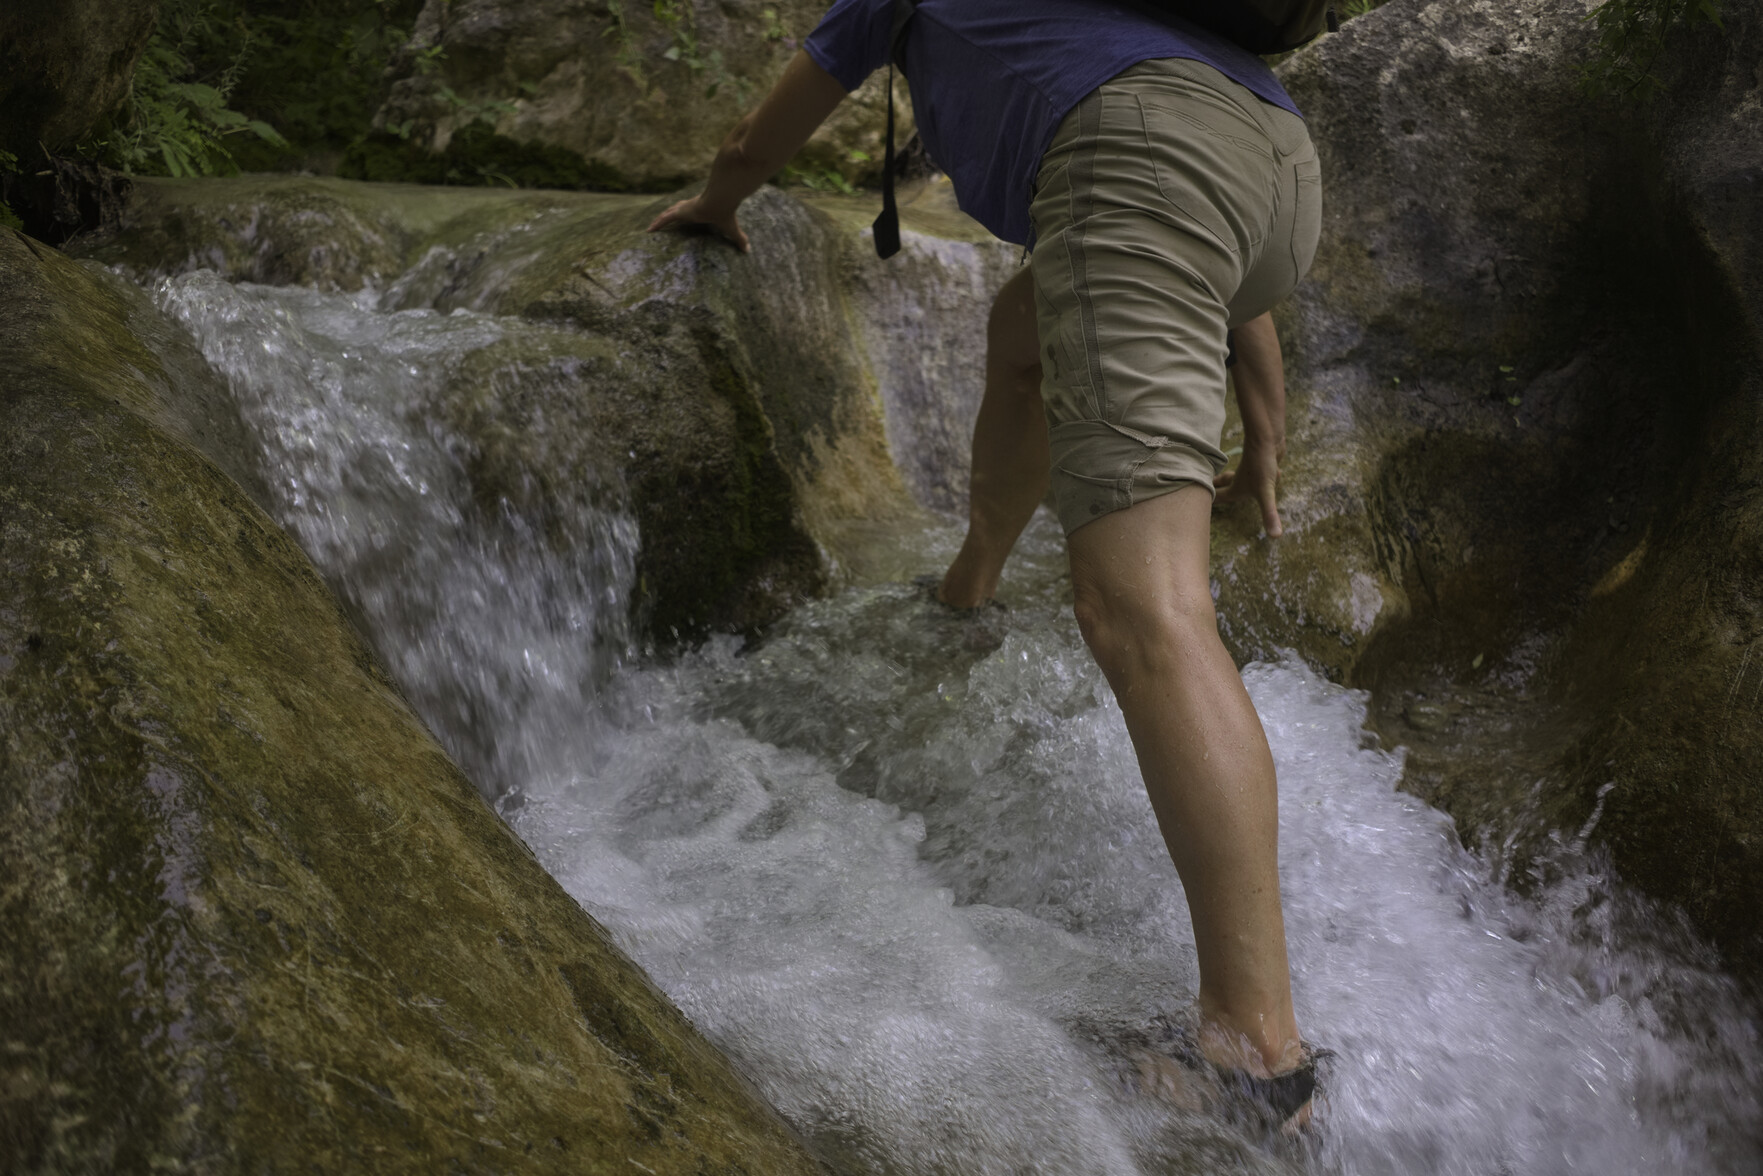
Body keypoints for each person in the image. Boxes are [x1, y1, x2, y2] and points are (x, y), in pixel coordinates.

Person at [649, 0, 1322, 1128]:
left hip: (1144, 158)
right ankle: (973, 571)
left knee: (1141, 610)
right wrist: (1263, 436)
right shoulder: (1101, 18)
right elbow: (1215, 248)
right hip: (1276, 170)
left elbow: (761, 135)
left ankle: (1253, 1057)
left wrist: (716, 205)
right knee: (1025, 330)